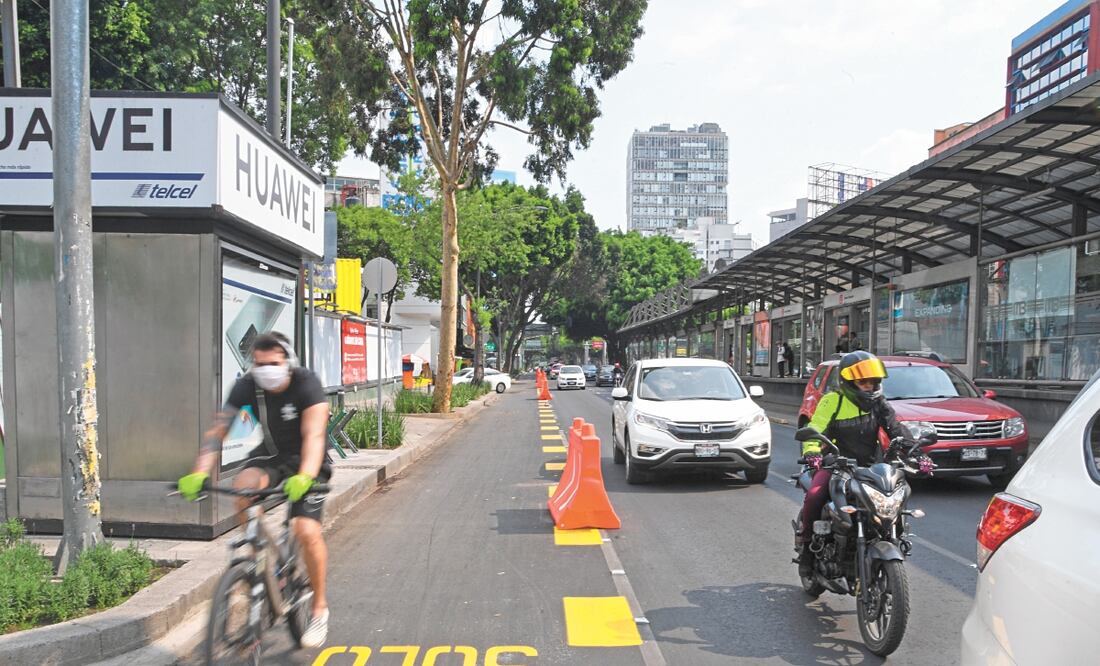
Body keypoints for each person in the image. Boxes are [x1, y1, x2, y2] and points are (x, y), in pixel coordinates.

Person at [177, 333, 333, 648]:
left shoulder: (306, 383)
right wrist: (199, 471)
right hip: (272, 456)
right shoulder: (247, 385)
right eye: (259, 364)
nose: (265, 370)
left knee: (306, 529)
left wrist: (305, 476)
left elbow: (315, 436)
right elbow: (218, 431)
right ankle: (255, 561)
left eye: (273, 363)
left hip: (309, 461)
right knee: (242, 489)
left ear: (288, 362)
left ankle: (319, 608)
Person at [795, 351, 910, 577]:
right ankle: (807, 549)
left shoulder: (879, 404)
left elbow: (897, 430)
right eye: (863, 382)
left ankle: (893, 539)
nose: (869, 387)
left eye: (873, 382)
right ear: (848, 382)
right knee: (815, 495)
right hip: (836, 465)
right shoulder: (833, 401)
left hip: (869, 469)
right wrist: (812, 452)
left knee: (895, 496)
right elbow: (815, 429)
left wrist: (916, 452)